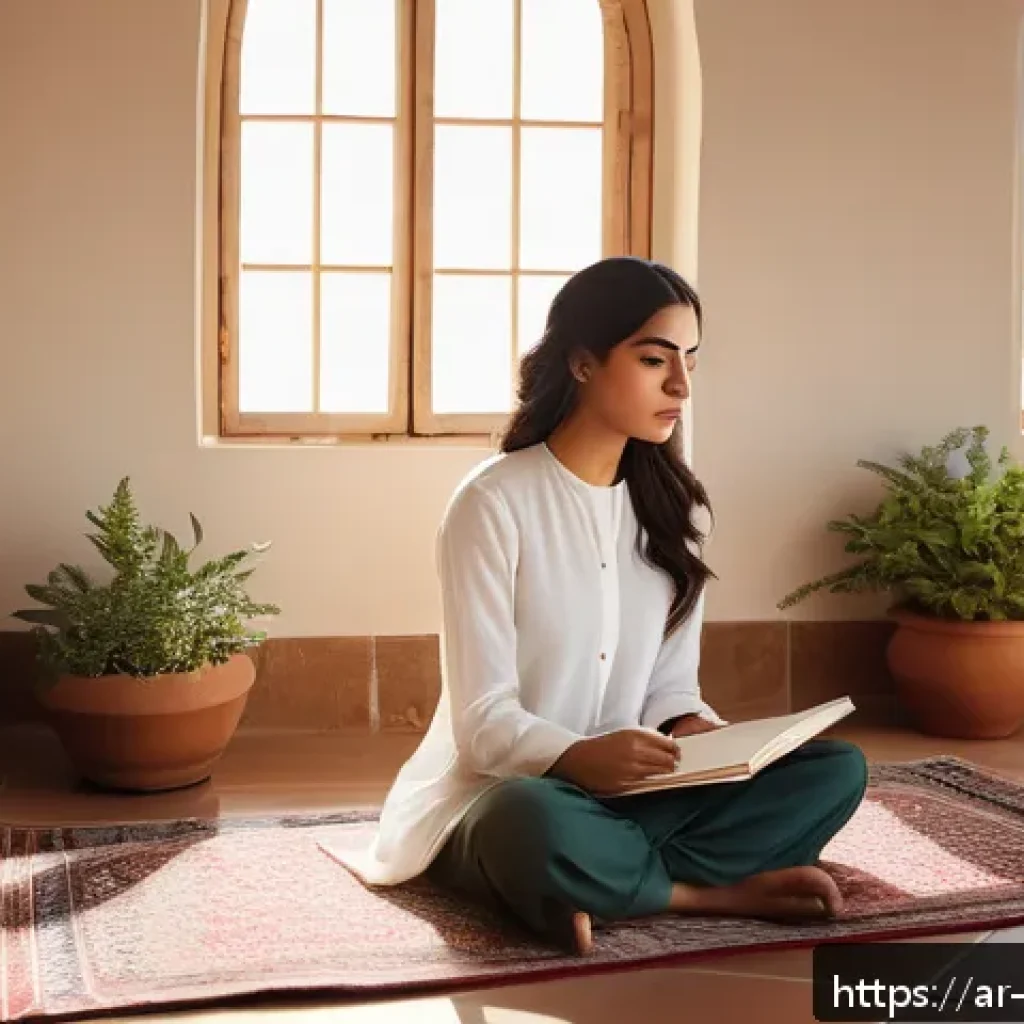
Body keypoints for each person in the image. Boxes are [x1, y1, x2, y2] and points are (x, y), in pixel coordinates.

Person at [335, 257, 868, 955]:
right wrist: (579, 757)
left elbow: (670, 690)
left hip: (636, 794)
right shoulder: (492, 503)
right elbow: (483, 727)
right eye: (654, 359)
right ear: (583, 363)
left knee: (835, 771)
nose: (680, 385)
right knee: (529, 823)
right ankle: (700, 893)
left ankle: (590, 885)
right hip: (509, 792)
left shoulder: (677, 513)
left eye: (691, 363)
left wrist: (704, 735)